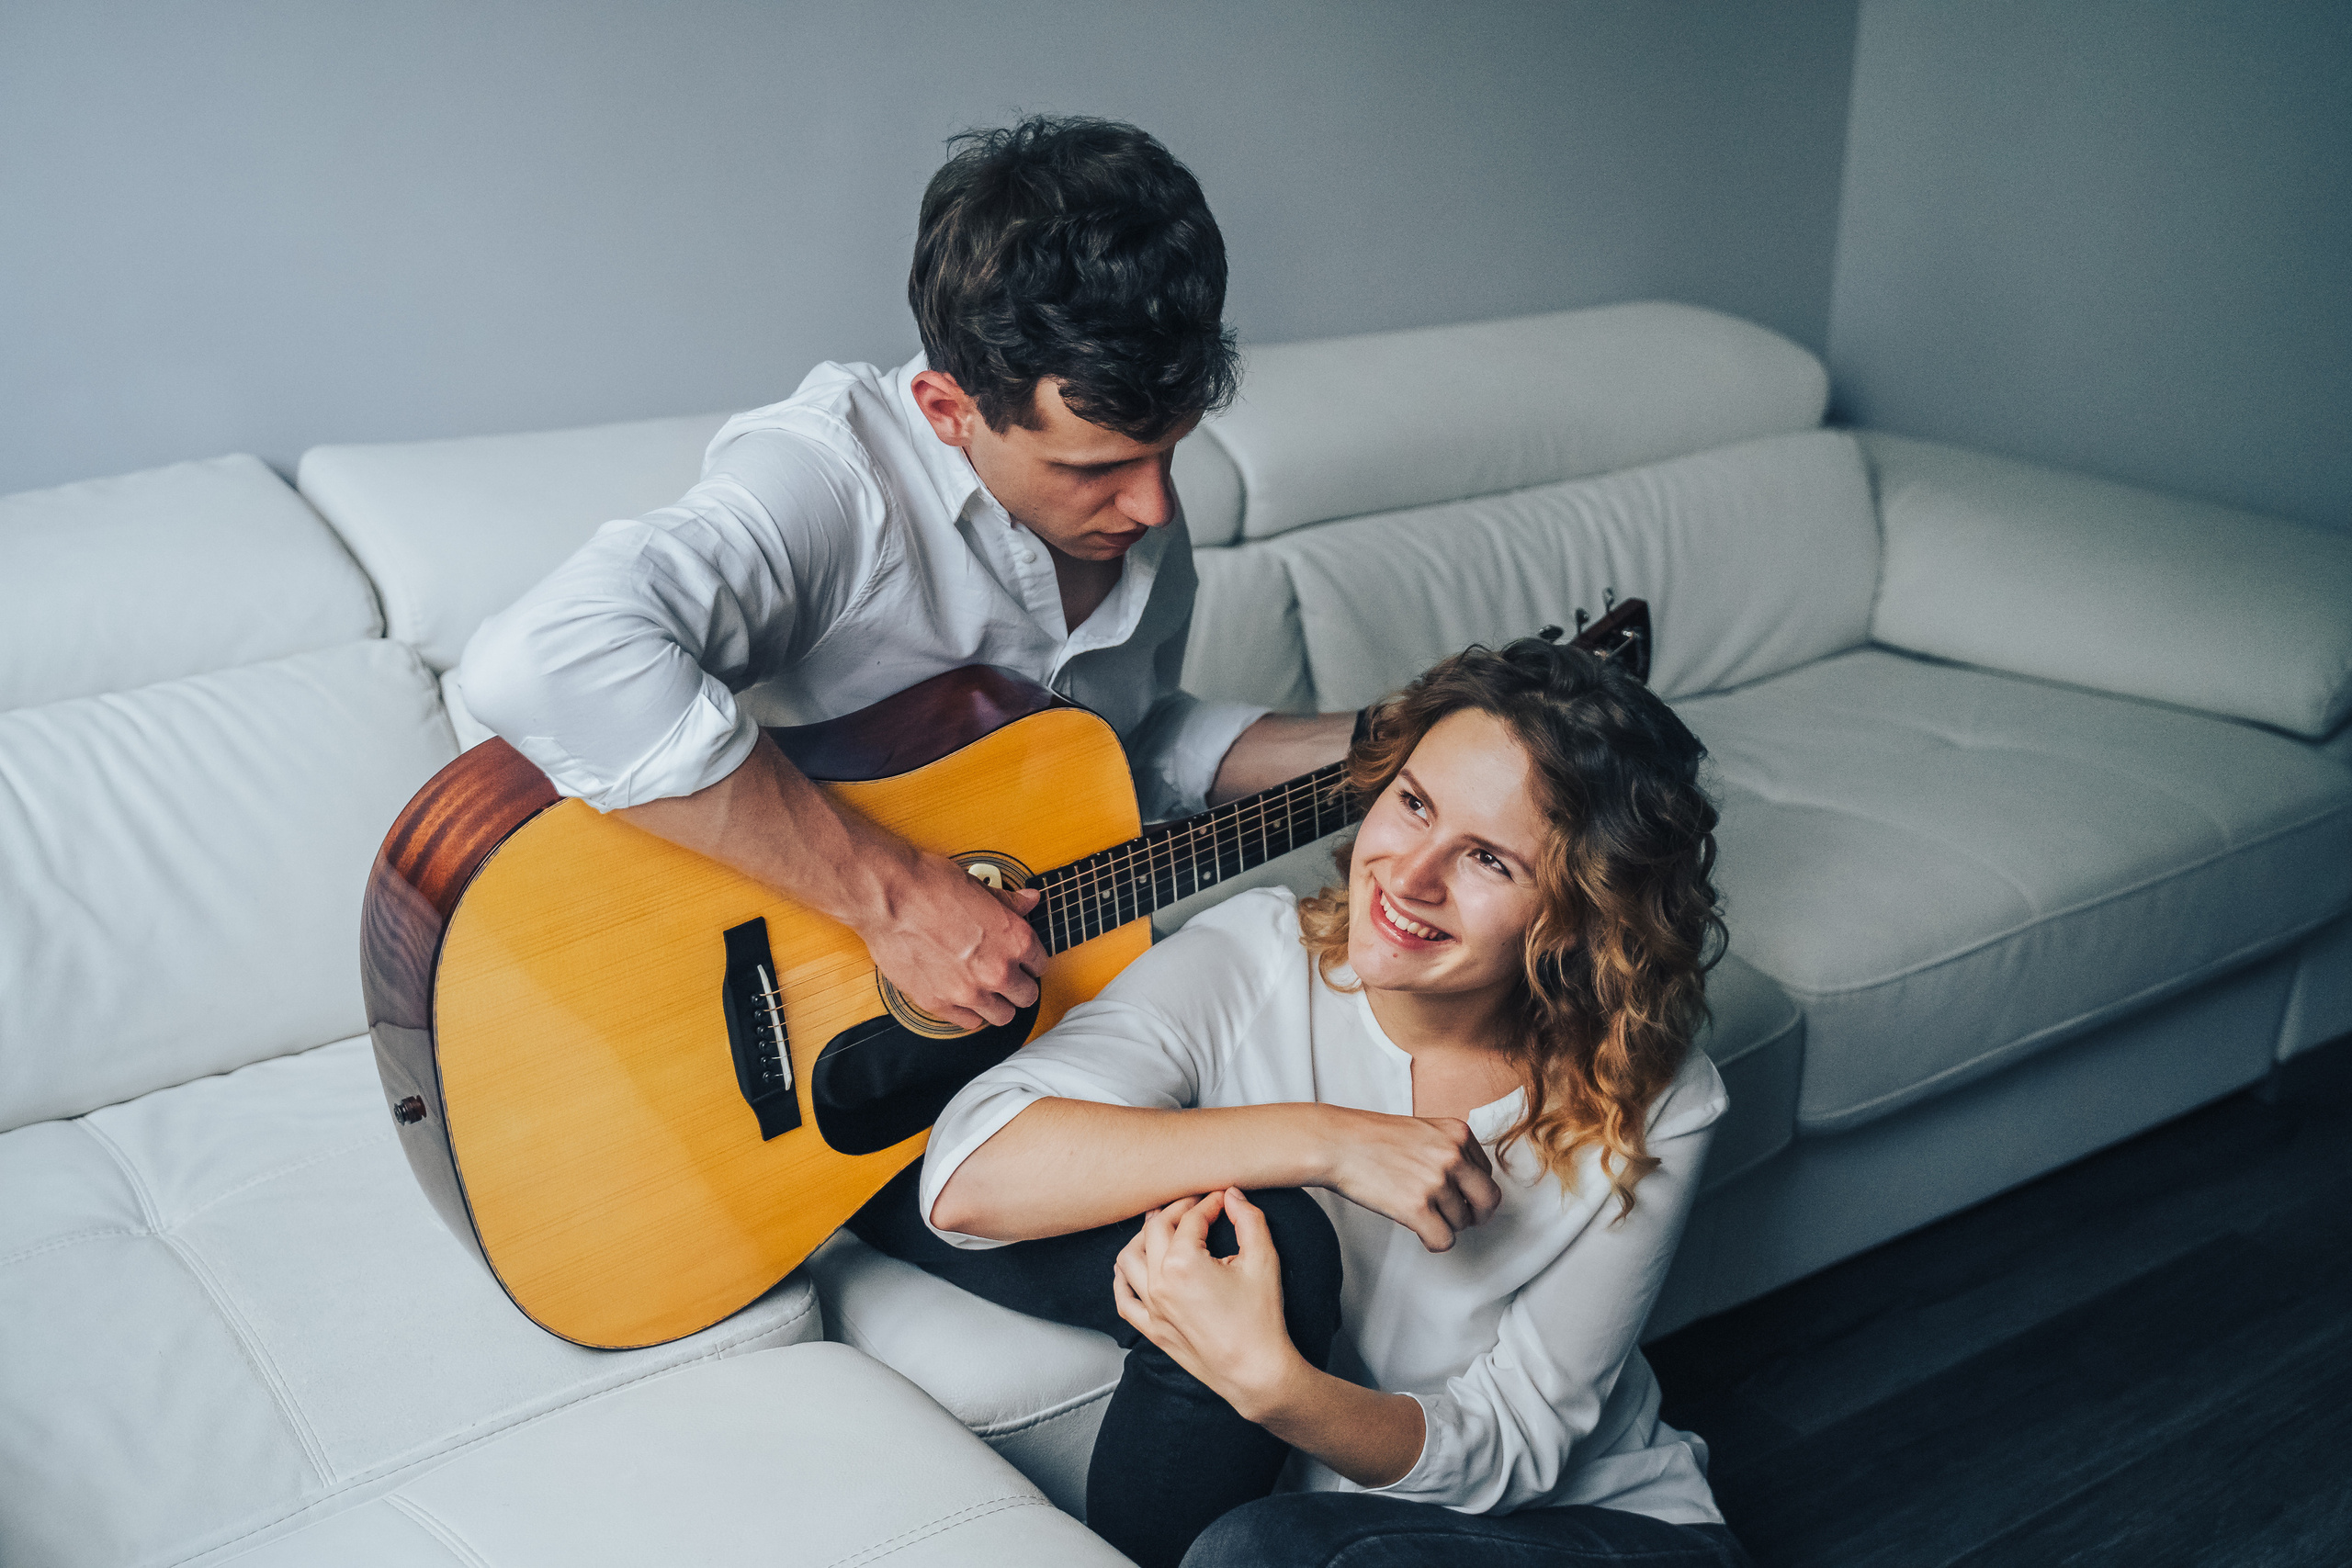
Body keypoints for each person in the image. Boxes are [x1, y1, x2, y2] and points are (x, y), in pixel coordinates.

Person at [851, 634, 1756, 1567]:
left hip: (1603, 1534)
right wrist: (1324, 1141)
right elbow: (967, 1173)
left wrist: (1276, 1388)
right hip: (1338, 1533)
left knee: (1258, 1551)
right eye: (1412, 805)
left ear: (1582, 910)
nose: (1407, 877)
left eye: (1488, 860)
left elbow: (1512, 1452)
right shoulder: (1254, 958)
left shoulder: (1656, 1099)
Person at [459, 116, 1351, 1031]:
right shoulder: (832, 483)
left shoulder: (1129, 500)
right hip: (760, 1017)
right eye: (1091, 469)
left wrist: (1387, 745)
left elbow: (1123, 751)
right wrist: (886, 898)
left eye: (1169, 451)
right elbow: (540, 662)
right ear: (945, 409)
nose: (1153, 510)